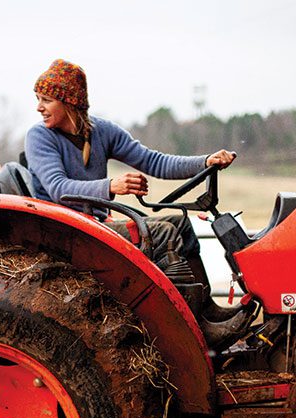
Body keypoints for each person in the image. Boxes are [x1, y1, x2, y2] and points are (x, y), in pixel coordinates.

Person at [25, 59, 235, 278]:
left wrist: (205, 162)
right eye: (39, 99)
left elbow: (154, 162)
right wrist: (112, 186)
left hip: (95, 224)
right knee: (164, 233)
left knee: (181, 223)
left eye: (46, 100)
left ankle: (205, 310)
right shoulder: (39, 137)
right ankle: (176, 309)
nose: (39, 107)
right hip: (68, 230)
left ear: (69, 102)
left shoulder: (101, 131)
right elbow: (60, 190)